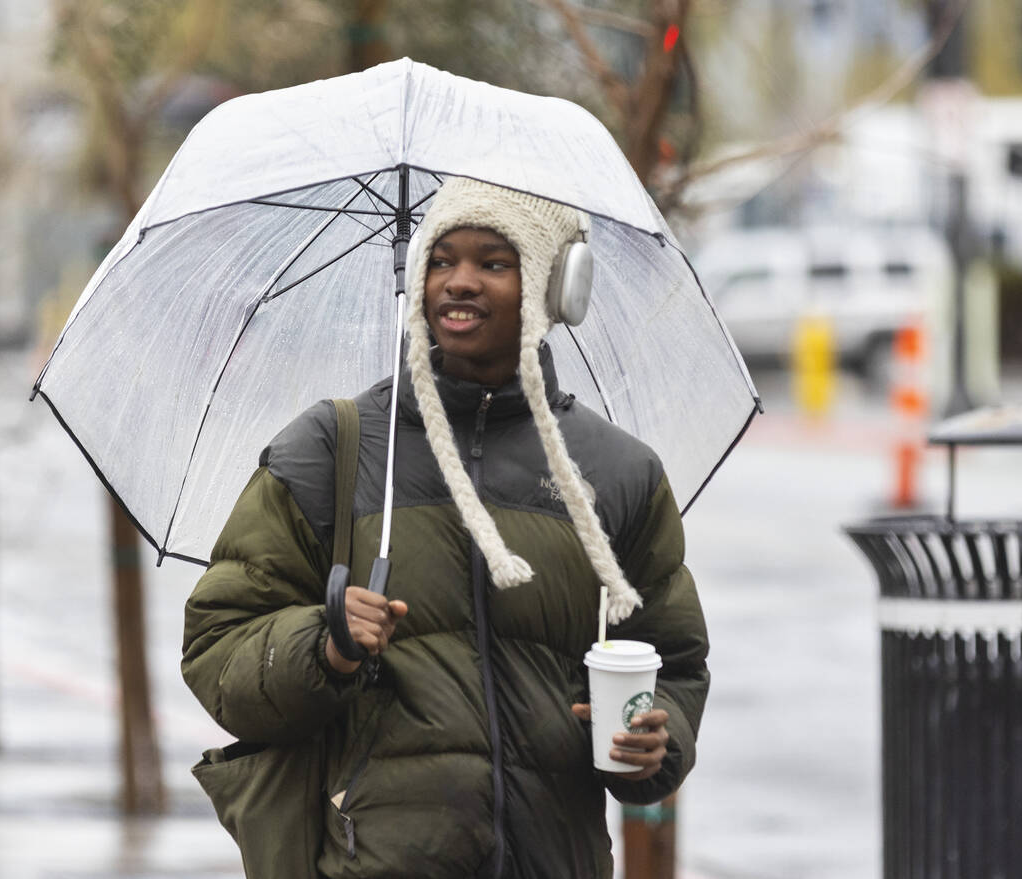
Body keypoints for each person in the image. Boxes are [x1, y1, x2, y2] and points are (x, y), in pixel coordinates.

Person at [182, 177, 709, 879]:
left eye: (493, 262)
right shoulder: (333, 448)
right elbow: (219, 646)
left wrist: (656, 738)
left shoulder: (617, 473)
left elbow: (671, 662)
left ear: (556, 287)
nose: (458, 282)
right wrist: (325, 645)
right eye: (440, 260)